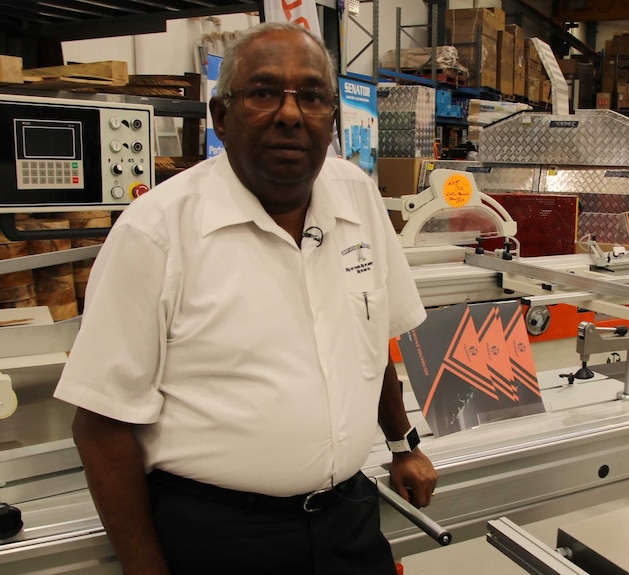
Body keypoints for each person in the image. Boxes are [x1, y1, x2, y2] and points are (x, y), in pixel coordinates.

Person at [54, 21, 437, 575]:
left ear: (332, 119)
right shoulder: (158, 232)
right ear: (220, 117)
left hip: (348, 519)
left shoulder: (359, 199)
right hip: (219, 536)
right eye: (262, 92)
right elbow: (100, 426)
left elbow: (370, 343)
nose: (289, 114)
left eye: (311, 96)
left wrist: (402, 443)